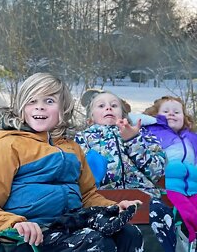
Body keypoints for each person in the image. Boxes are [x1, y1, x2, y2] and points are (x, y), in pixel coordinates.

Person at [0, 73, 143, 252]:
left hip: (70, 226)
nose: (40, 107)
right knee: (93, 242)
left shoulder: (72, 148)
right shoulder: (6, 148)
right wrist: (15, 223)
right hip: (26, 237)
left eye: (49, 101)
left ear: (63, 108)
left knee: (128, 234)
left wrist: (111, 208)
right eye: (31, 101)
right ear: (20, 108)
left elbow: (87, 195)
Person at [74, 89, 175, 252]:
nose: (108, 108)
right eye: (101, 105)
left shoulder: (143, 136)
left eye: (114, 105)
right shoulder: (81, 140)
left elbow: (157, 172)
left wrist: (132, 140)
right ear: (90, 119)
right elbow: (78, 176)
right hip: (103, 200)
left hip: (143, 197)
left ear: (123, 114)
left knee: (157, 213)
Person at [141, 96, 197, 243]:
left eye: (177, 112)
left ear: (185, 118)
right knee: (187, 215)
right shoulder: (152, 133)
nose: (171, 114)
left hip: (192, 188)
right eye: (165, 111)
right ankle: (188, 241)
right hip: (169, 188)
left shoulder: (191, 138)